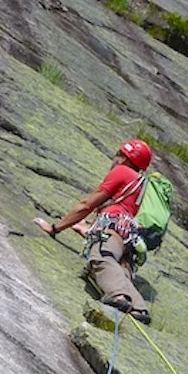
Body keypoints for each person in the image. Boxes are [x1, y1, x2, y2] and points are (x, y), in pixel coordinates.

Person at [34, 138, 154, 324]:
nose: (114, 159)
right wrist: (88, 229)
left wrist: (54, 228)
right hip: (129, 239)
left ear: (123, 157)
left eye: (118, 154)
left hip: (113, 230)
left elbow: (86, 205)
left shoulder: (121, 172)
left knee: (101, 257)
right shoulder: (140, 184)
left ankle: (120, 297)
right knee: (119, 270)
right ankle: (139, 309)